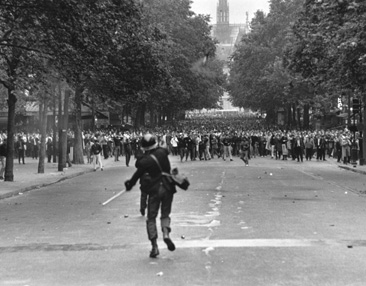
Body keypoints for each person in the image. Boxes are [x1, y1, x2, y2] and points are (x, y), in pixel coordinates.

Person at [124, 133, 177, 258]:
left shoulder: (145, 161)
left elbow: (138, 173)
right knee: (165, 214)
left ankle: (154, 246)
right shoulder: (163, 153)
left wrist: (130, 184)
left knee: (151, 217)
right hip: (168, 187)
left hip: (154, 189)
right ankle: (165, 232)